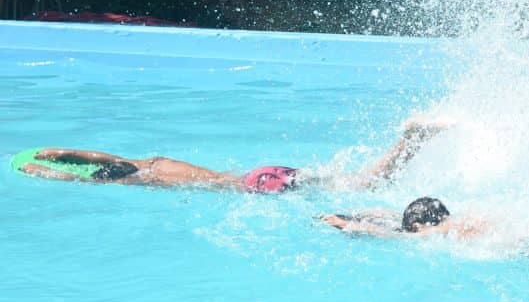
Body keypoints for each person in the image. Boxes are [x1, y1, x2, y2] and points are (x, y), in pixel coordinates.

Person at [18, 119, 446, 192]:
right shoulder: (152, 161)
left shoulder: (144, 179)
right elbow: (98, 156)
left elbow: (74, 177)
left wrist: (40, 169)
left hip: (253, 188)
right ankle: (409, 145)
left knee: (359, 185)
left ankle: (410, 145)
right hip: (261, 173)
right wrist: (63, 150)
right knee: (348, 179)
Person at [321, 196, 488, 239]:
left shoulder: (432, 232)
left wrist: (344, 223)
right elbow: (387, 214)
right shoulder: (447, 220)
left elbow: (393, 235)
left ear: (417, 227)